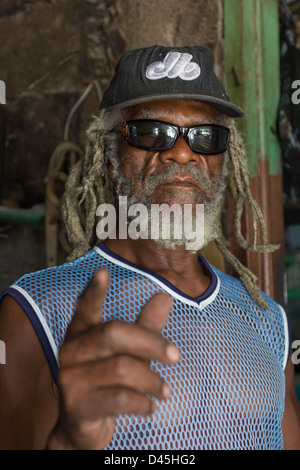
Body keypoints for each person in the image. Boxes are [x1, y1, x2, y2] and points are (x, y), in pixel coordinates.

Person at [0, 45, 300, 450]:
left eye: (205, 136)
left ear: (223, 161)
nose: (182, 152)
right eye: (151, 132)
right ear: (109, 156)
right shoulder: (35, 312)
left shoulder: (268, 321)